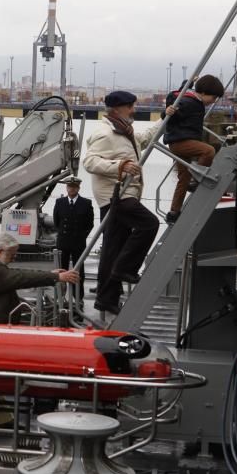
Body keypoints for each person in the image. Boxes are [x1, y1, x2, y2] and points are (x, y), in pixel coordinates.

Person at [0, 233, 79, 427]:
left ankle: (0, 420)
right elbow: (18, 277)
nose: (14, 258)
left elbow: (14, 273)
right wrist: (55, 277)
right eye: (12, 254)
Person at [83, 90, 169, 316]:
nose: (134, 110)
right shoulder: (105, 133)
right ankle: (126, 268)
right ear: (118, 108)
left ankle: (106, 299)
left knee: (112, 249)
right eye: (131, 106)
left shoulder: (123, 131)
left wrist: (165, 117)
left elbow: (144, 138)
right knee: (149, 224)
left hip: (122, 194)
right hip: (116, 196)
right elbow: (90, 162)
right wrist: (120, 166)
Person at [163, 75, 224, 223]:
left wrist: (189, 82)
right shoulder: (191, 102)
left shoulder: (191, 98)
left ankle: (173, 212)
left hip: (181, 141)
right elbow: (173, 110)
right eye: (213, 97)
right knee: (208, 151)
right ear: (203, 93)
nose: (214, 101)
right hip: (181, 142)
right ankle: (197, 180)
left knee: (183, 178)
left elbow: (180, 92)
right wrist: (169, 112)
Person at [51, 177, 94, 309]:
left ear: (78, 188)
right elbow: (57, 221)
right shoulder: (60, 202)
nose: (72, 189)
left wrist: (81, 236)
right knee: (61, 270)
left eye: (74, 187)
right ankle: (60, 295)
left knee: (79, 270)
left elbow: (89, 224)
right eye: (70, 187)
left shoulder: (86, 203)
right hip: (63, 242)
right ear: (66, 188)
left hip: (78, 242)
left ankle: (78, 297)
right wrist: (63, 235)